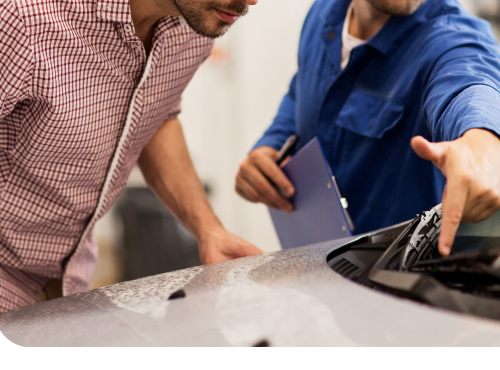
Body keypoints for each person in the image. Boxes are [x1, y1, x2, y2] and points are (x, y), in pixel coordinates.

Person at [0, 0, 263, 312]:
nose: (252, 0)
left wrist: (209, 230)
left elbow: (156, 116)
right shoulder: (22, 18)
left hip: (69, 276)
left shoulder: (194, 28)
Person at [236, 0, 500, 256]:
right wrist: (271, 143)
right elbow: (302, 85)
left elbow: (471, 85)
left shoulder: (452, 39)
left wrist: (482, 142)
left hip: (398, 287)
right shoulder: (323, 13)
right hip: (315, 270)